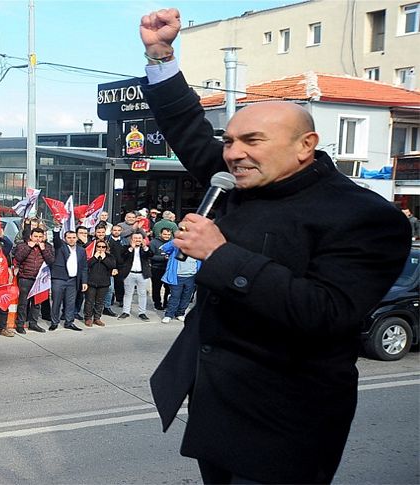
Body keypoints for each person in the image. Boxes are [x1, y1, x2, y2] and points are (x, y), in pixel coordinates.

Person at [141, 8, 411, 484]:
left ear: (305, 145)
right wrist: (160, 53)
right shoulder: (245, 181)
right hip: (218, 406)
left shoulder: (367, 217)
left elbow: (328, 312)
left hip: (287, 419)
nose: (232, 153)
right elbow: (188, 129)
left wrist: (221, 255)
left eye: (252, 140)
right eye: (228, 141)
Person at [12, 226, 55, 334]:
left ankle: (33, 323)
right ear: (31, 237)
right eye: (35, 236)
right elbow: (18, 257)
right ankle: (20, 324)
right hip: (25, 278)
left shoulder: (47, 247)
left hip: (39, 279)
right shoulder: (23, 245)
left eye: (40, 237)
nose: (38, 239)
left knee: (37, 303)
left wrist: (43, 249)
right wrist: (28, 247)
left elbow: (51, 260)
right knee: (23, 303)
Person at [48, 226, 88, 332]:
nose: (71, 239)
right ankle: (54, 322)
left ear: (77, 238)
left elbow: (84, 267)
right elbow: (56, 240)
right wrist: (57, 228)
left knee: (71, 302)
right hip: (59, 279)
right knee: (56, 301)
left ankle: (69, 322)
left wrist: (84, 281)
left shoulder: (81, 250)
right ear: (65, 239)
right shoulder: (60, 247)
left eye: (73, 237)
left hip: (73, 280)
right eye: (69, 237)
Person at [159, 239, 199, 324]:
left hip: (191, 277)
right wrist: (178, 239)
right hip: (177, 276)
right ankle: (169, 315)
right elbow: (165, 248)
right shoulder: (176, 248)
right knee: (175, 296)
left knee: (186, 297)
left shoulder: (197, 250)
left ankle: (180, 313)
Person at [117, 233, 151, 321]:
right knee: (128, 294)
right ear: (131, 239)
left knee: (142, 294)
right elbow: (122, 257)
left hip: (142, 274)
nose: (137, 240)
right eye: (135, 238)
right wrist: (131, 248)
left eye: (139, 238)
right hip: (129, 274)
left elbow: (150, 255)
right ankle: (126, 312)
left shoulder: (145, 248)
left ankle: (142, 313)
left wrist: (144, 247)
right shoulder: (126, 248)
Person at [83, 239, 115, 327]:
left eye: (103, 247)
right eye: (99, 246)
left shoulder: (109, 257)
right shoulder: (91, 256)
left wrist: (104, 258)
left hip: (103, 283)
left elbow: (112, 266)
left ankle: (97, 318)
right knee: (89, 301)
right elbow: (87, 265)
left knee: (100, 302)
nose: (101, 248)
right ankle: (88, 318)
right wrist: (95, 258)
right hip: (91, 282)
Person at [149, 227, 173, 310]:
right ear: (160, 234)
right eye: (165, 234)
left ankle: (166, 303)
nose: (167, 236)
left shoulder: (173, 242)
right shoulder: (153, 242)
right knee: (156, 287)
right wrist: (163, 258)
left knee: (168, 288)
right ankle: (157, 303)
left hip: (169, 269)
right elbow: (150, 256)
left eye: (169, 234)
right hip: (156, 268)